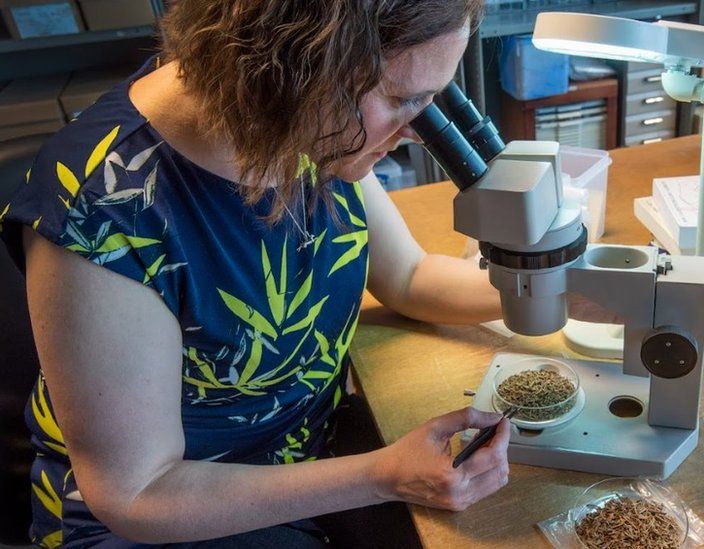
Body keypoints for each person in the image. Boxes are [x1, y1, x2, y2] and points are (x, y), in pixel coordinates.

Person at [0, 1, 514, 547]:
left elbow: (407, 276)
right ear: (294, 67)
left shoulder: (302, 127)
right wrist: (384, 476)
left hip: (307, 451)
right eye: (402, 99)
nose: (418, 130)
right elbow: (137, 495)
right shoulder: (108, 213)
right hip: (164, 516)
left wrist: (555, 285)